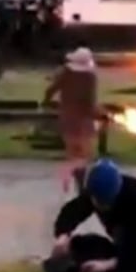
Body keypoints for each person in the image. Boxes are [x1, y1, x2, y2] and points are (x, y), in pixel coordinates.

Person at [42, 46, 99, 193]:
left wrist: (45, 102)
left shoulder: (66, 73)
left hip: (67, 118)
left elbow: (50, 90)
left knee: (72, 154)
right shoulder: (90, 77)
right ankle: (82, 186)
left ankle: (74, 185)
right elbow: (90, 101)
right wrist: (100, 114)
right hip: (84, 120)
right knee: (84, 155)